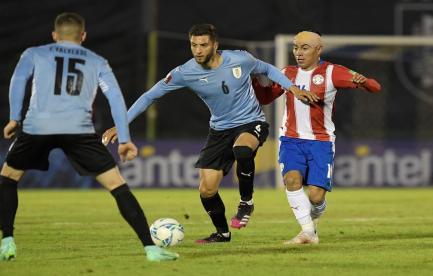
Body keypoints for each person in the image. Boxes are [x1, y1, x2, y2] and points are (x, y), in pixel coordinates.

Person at [102, 24, 316, 243]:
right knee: (206, 189)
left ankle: (246, 202)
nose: (198, 50)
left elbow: (268, 69)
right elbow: (150, 96)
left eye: (203, 45)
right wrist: (121, 124)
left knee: (242, 149)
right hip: (219, 130)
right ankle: (222, 233)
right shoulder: (185, 72)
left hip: (251, 122)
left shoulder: (240, 60)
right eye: (194, 45)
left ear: (215, 45)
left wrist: (292, 88)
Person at [0, 12, 178, 262]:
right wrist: (124, 138)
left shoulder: (34, 53)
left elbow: (18, 82)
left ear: (54, 35)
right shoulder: (97, 61)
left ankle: (7, 242)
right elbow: (115, 97)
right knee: (118, 186)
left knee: (9, 178)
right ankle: (151, 249)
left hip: (38, 127)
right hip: (79, 131)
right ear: (83, 36)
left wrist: (14, 118)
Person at [253, 30, 381, 244]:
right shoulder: (287, 73)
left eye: (305, 48)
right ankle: (308, 233)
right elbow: (266, 98)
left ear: (318, 49)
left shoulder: (333, 72)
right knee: (291, 179)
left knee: (316, 196)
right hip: (291, 139)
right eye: (295, 47)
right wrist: (256, 82)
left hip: (321, 142)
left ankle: (312, 221)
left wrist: (364, 82)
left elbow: (375, 88)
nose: (298, 53)